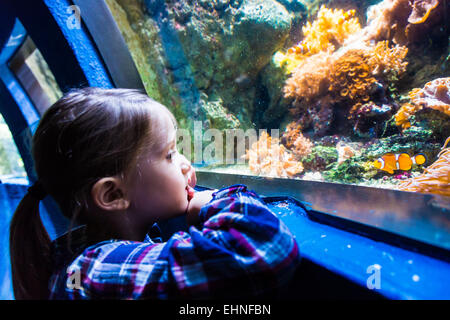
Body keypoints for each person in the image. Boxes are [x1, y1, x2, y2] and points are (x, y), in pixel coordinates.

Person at [9, 87, 300, 300]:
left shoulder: (100, 255)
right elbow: (265, 248)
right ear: (112, 195)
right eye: (170, 154)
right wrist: (213, 201)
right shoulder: (94, 271)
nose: (186, 164)